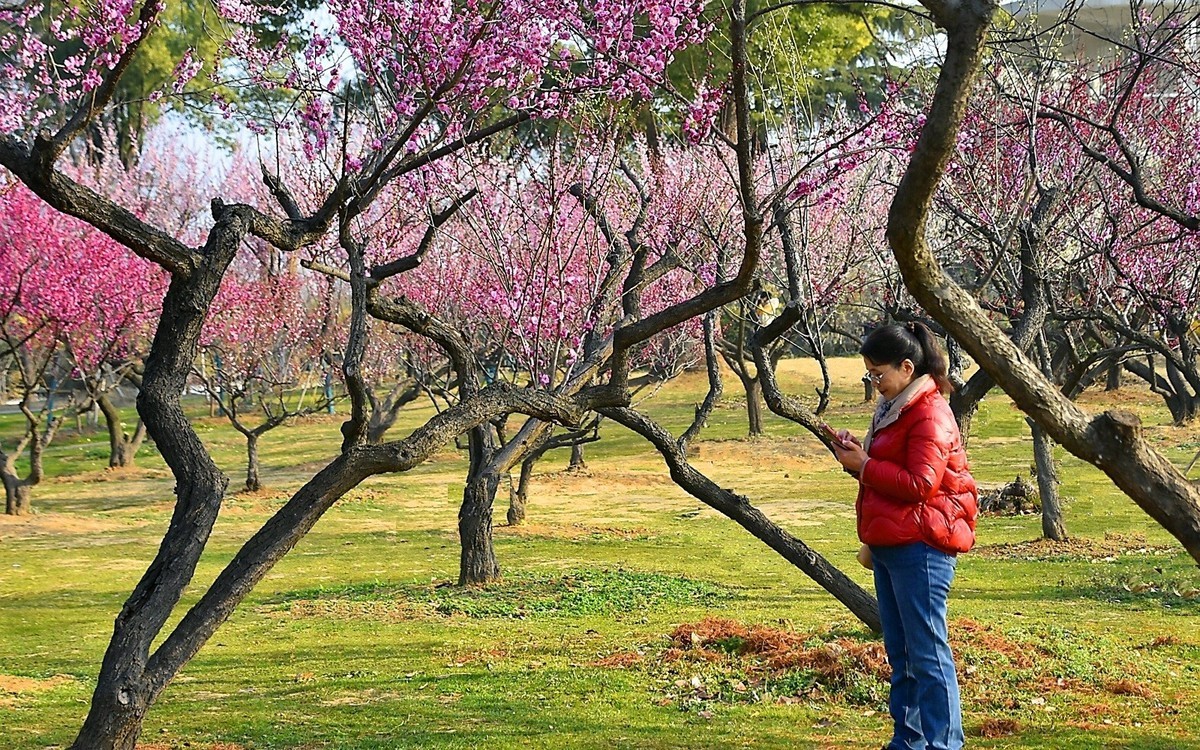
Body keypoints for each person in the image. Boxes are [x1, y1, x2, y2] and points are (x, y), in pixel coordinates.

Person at [830, 322, 978, 750]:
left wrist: (863, 465)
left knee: (928, 653)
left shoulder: (930, 412)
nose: (874, 382)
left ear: (907, 367)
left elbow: (919, 484)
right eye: (869, 374)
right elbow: (891, 464)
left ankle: (944, 743)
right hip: (892, 543)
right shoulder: (895, 406)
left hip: (923, 546)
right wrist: (858, 450)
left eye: (878, 373)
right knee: (902, 652)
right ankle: (908, 739)